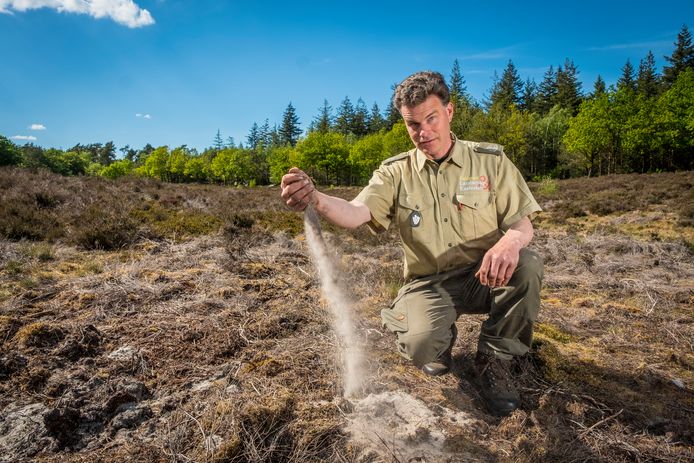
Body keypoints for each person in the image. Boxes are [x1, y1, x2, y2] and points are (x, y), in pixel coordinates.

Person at [280, 71, 543, 417]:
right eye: (413, 124)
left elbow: (522, 224)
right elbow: (357, 211)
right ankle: (437, 339)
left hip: (484, 275)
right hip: (428, 284)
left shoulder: (490, 162)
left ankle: (496, 357)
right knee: (421, 346)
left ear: (449, 112)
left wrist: (510, 241)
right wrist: (316, 198)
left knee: (527, 264)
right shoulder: (394, 172)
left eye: (431, 118)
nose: (424, 132)